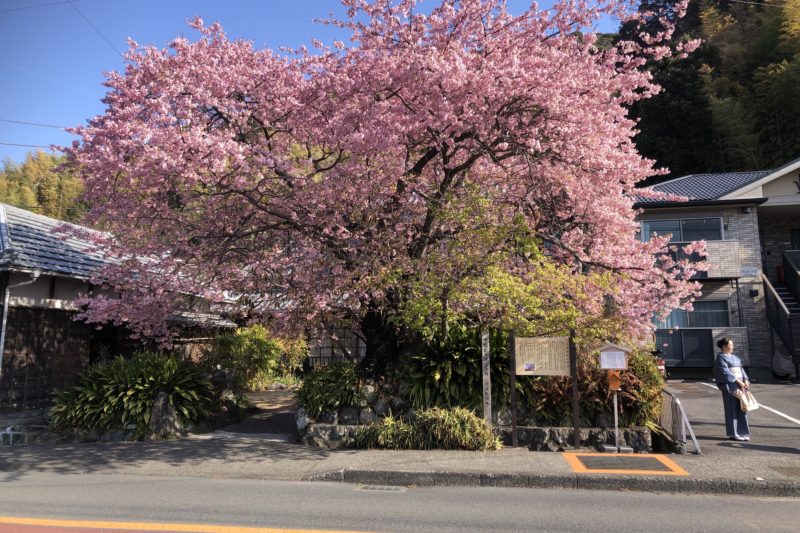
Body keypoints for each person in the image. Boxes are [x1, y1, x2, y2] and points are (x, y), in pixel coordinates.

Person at [713, 338, 751, 441]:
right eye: (731, 345)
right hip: (730, 386)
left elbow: (741, 370)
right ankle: (734, 433)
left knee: (742, 408)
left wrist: (746, 379)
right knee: (732, 409)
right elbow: (725, 372)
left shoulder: (735, 358)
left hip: (740, 385)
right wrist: (739, 381)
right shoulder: (720, 358)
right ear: (724, 346)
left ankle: (743, 432)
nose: (732, 347)